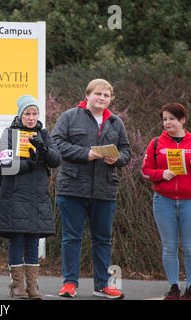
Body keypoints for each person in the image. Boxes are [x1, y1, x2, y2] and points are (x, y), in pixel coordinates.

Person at [51, 79, 131, 299]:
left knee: (103, 239)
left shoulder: (116, 122)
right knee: (71, 238)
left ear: (110, 99)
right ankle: (69, 284)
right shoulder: (69, 116)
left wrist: (116, 159)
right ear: (87, 95)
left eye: (106, 95)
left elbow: (126, 152)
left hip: (105, 190)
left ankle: (103, 285)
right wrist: (85, 154)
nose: (102, 98)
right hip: (72, 188)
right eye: (98, 94)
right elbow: (56, 143)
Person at [0, 95, 61, 299]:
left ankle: (33, 286)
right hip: (15, 196)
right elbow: (4, 165)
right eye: (27, 114)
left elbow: (56, 160)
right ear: (20, 114)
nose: (31, 118)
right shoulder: (9, 133)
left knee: (33, 240)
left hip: (37, 197)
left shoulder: (43, 133)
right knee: (17, 239)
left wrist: (43, 148)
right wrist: (28, 164)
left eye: (35, 114)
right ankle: (17, 285)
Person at [141, 103, 191, 300]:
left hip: (189, 201)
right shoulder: (155, 144)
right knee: (169, 246)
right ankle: (173, 287)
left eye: (171, 119)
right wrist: (162, 174)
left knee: (189, 247)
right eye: (165, 119)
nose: (167, 122)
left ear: (182, 120)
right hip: (164, 201)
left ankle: (190, 287)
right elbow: (145, 171)